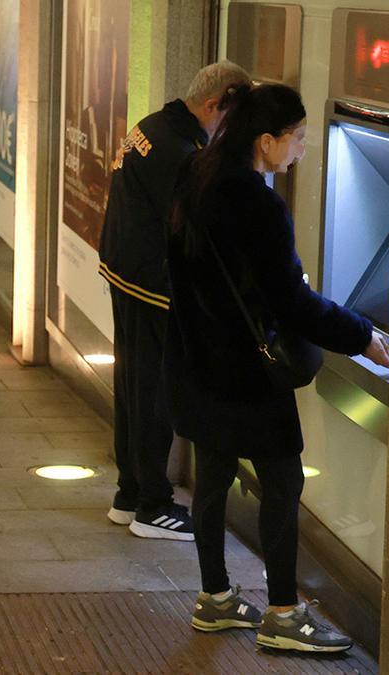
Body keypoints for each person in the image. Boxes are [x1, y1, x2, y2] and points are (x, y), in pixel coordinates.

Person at [163, 83, 389, 652]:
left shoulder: (196, 173)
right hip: (245, 370)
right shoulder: (257, 202)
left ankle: (215, 599)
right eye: (298, 139)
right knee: (285, 481)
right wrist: (362, 335)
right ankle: (285, 614)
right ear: (266, 140)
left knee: (212, 477)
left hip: (198, 357)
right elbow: (290, 299)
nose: (303, 150)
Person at [96, 61, 252, 541]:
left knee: (132, 385)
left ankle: (129, 493)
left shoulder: (153, 126)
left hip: (125, 271)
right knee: (154, 392)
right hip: (151, 283)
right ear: (214, 105)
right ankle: (152, 505)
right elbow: (199, 228)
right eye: (235, 117)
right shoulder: (180, 152)